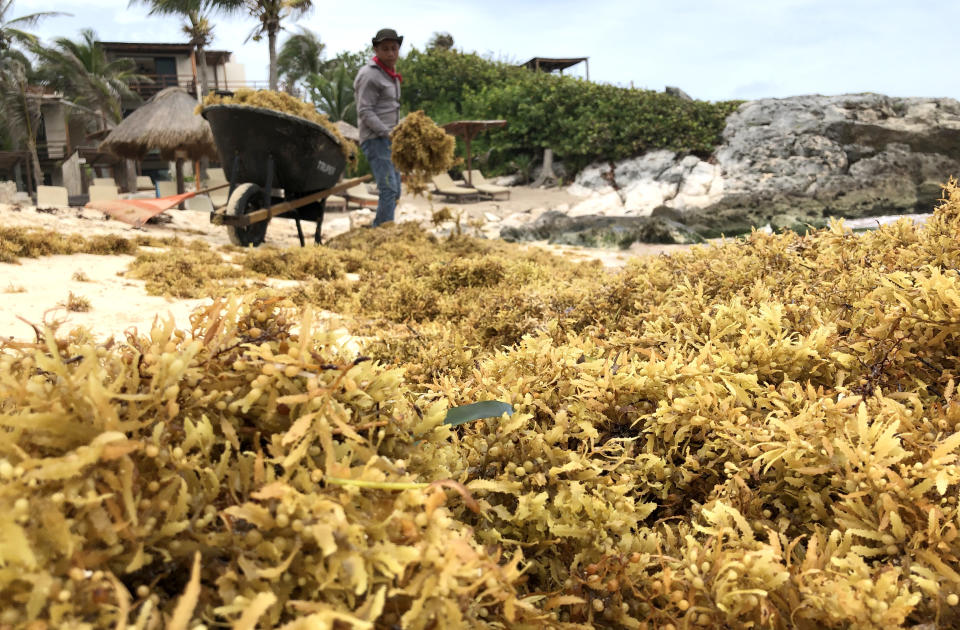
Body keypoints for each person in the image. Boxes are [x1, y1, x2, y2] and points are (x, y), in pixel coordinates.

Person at [354, 28, 404, 226]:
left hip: (390, 140)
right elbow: (364, 111)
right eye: (385, 49)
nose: (391, 53)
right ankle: (383, 232)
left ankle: (383, 224)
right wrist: (387, 132)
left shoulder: (390, 75)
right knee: (389, 188)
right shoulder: (370, 75)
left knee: (396, 190)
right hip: (376, 139)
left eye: (394, 48)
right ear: (376, 50)